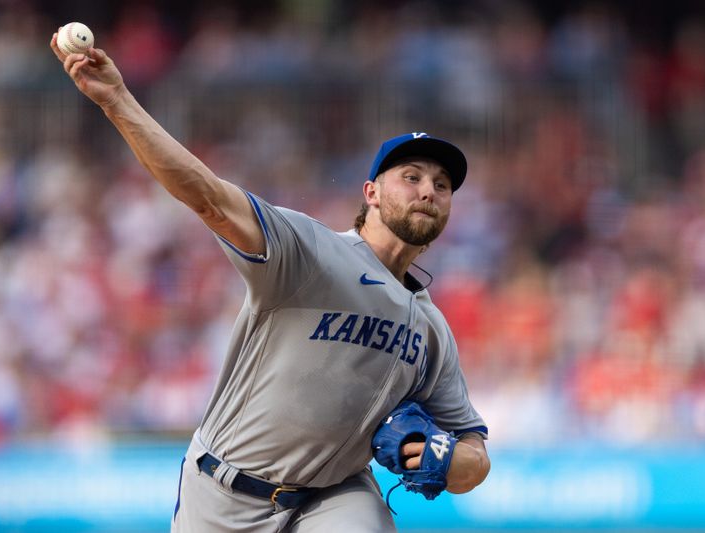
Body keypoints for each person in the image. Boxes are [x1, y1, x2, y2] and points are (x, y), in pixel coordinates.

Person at [51, 29, 490, 533]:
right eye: (411, 177)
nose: (428, 191)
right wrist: (118, 101)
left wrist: (449, 460)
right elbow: (207, 196)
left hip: (333, 495)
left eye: (441, 185)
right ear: (370, 191)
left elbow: (475, 452)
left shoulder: (431, 327)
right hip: (222, 490)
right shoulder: (311, 250)